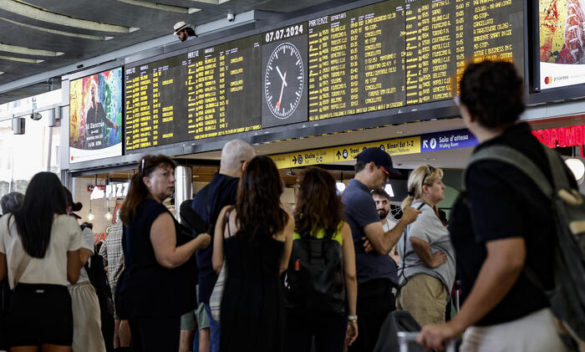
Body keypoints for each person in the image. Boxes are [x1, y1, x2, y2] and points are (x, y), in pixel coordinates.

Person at [418, 61, 570, 351]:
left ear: (467, 109)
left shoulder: (490, 168)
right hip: (559, 323)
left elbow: (507, 259)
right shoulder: (551, 161)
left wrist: (455, 325)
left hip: (513, 331)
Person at [116, 155, 211, 352]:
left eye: (173, 174)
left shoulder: (136, 210)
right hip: (156, 300)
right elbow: (168, 257)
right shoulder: (156, 212)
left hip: (138, 296)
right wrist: (198, 242)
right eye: (165, 174)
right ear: (147, 181)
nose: (172, 179)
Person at [212, 156, 294, 352]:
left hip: (235, 297)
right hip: (270, 298)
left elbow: (216, 263)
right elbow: (283, 265)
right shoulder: (285, 219)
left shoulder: (228, 215)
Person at [342, 147, 420, 352]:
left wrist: (373, 241)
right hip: (370, 291)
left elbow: (375, 242)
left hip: (366, 288)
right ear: (371, 167)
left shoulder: (351, 195)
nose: (386, 181)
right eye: (385, 174)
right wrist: (405, 220)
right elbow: (384, 245)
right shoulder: (360, 197)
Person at [0, 172, 83, 352]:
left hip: (22, 300)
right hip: (56, 302)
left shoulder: (7, 222)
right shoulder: (69, 224)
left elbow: (0, 272)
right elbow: (74, 275)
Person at [190, 139, 255, 352]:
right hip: (235, 284)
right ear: (245, 166)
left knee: (217, 341)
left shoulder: (201, 196)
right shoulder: (244, 195)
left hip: (207, 285)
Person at [285, 167, 358, 351]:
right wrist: (353, 316)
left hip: (296, 308)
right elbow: (350, 275)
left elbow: (281, 267)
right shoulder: (342, 228)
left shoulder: (291, 224)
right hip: (332, 308)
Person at [395, 165, 455, 327]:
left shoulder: (417, 209)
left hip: (415, 286)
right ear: (425, 189)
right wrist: (430, 261)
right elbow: (416, 238)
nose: (443, 186)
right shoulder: (424, 212)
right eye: (438, 182)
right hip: (423, 288)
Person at [63, 188, 107, 352]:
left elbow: (78, 263)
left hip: (79, 291)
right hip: (55, 293)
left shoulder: (84, 233)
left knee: (86, 344)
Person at [99, 221, 131, 352]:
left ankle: (116, 348)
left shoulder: (112, 230)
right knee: (126, 319)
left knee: (116, 319)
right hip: (125, 280)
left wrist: (110, 268)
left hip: (112, 281)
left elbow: (101, 254)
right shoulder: (129, 228)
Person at [85, 81, 119, 149]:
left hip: (99, 139)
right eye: (91, 89)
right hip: (91, 140)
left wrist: (114, 125)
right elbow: (87, 127)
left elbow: (105, 119)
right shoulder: (87, 108)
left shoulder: (99, 106)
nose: (92, 90)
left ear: (96, 90)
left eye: (93, 88)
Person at [371, 189, 400, 264]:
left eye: (384, 202)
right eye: (377, 202)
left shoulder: (396, 227)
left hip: (390, 271)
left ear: (389, 205)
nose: (381, 206)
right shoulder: (363, 227)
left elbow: (400, 256)